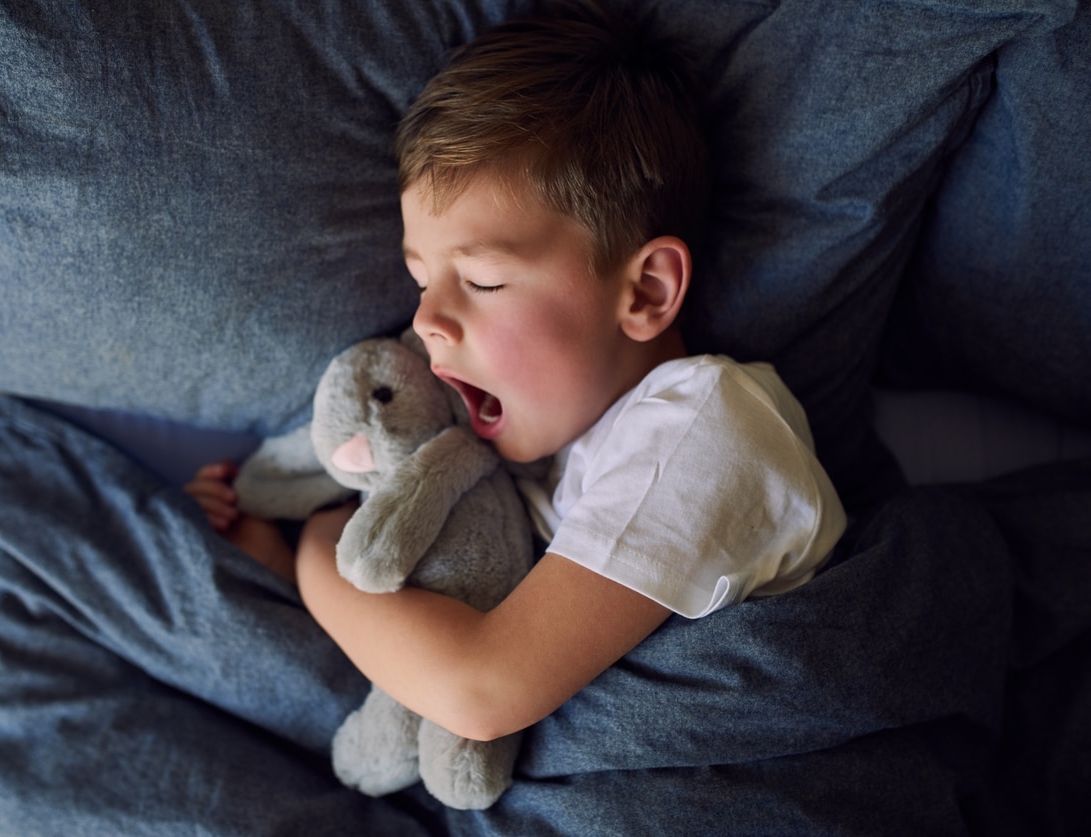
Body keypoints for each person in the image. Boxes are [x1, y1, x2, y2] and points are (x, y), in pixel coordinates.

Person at [187, 0, 846, 745]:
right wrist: (267, 549)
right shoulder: (518, 453)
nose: (429, 321)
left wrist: (317, 547)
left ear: (647, 290)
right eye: (421, 281)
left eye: (484, 280)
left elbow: (481, 687)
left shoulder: (708, 425)